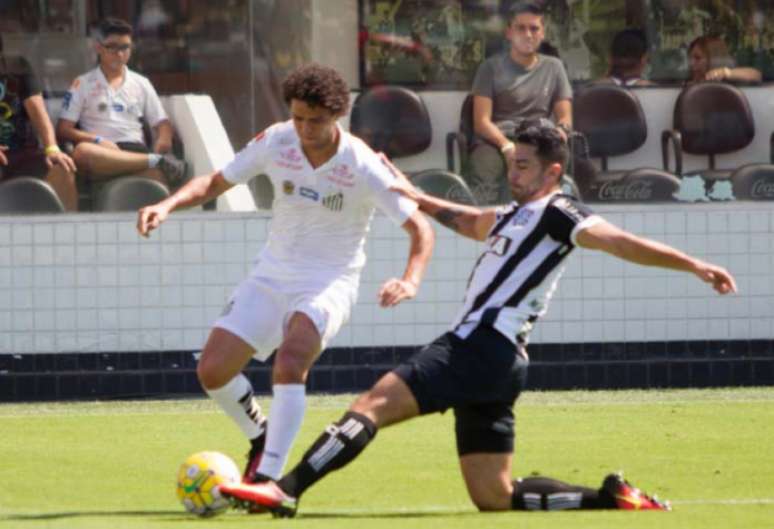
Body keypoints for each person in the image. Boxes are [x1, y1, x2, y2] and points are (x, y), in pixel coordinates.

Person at [219, 123, 737, 517]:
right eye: (513, 163)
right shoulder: (516, 215)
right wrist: (410, 191)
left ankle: (283, 490)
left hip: (478, 345)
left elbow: (621, 243)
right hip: (500, 362)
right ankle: (607, 499)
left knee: (372, 404)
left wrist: (693, 264)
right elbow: (467, 220)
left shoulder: (561, 212)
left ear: (553, 173)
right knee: (494, 496)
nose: (515, 173)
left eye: (526, 166)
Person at [136, 63, 434, 486]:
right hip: (271, 275)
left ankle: (269, 479)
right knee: (212, 371)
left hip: (329, 281)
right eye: (297, 117)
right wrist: (166, 205)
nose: (304, 128)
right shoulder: (277, 140)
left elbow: (419, 227)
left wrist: (411, 279)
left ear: (337, 116)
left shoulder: (363, 164)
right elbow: (215, 183)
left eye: (315, 120)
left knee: (291, 360)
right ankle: (260, 436)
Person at [57, 18, 185, 189]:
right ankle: (156, 161)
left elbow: (162, 123)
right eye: (112, 47)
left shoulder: (141, 82)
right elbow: (64, 129)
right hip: (100, 152)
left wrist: (164, 138)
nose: (119, 54)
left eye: (125, 47)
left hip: (135, 151)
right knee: (82, 153)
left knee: (157, 182)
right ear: (98, 47)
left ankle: (152, 162)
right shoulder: (82, 83)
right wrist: (96, 140)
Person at [467, 1, 572, 205]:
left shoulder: (555, 67)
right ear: (509, 32)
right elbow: (481, 122)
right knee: (486, 168)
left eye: (534, 28)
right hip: (497, 140)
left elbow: (565, 116)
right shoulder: (490, 68)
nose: (528, 34)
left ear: (543, 33)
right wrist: (506, 147)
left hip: (537, 137)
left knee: (552, 173)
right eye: (521, 28)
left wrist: (561, 131)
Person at [0, 34, 77, 210]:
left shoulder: (17, 66)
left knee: (62, 167)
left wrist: (52, 148)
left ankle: (70, 232)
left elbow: (38, 111)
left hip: (24, 152)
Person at [687, 36, 762, 84]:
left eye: (698, 58)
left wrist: (726, 73)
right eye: (690, 58)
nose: (691, 63)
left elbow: (756, 75)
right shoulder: (687, 83)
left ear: (714, 58)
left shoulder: (727, 80)